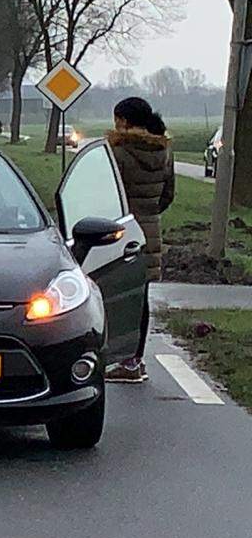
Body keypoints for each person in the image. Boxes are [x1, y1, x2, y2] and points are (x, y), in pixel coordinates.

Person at [106, 96, 175, 384]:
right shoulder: (164, 151)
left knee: (114, 296)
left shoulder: (118, 153)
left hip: (121, 233)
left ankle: (119, 359)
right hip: (149, 233)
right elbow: (168, 195)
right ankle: (135, 360)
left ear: (124, 120)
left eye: (116, 119)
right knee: (141, 297)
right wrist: (149, 214)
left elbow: (107, 194)